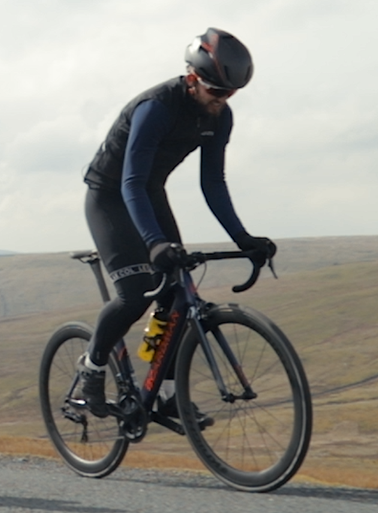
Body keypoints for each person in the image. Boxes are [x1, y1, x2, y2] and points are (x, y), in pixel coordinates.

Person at [77, 28, 276, 419]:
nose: (222, 101)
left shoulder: (221, 117)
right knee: (136, 294)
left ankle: (164, 393)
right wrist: (154, 242)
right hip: (110, 196)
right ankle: (93, 367)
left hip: (149, 193)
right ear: (191, 79)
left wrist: (243, 237)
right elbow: (129, 180)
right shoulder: (157, 107)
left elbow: (212, 183)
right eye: (216, 92)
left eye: (230, 94)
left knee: (176, 294)